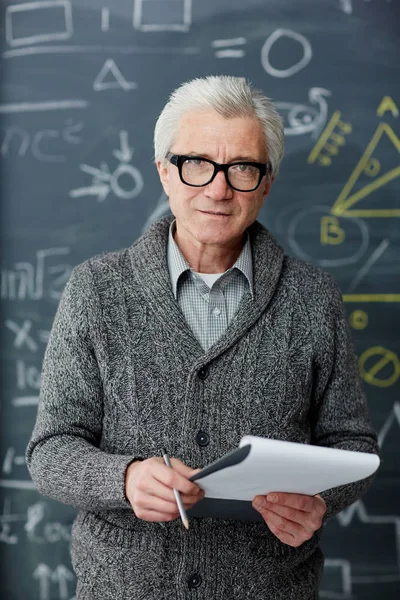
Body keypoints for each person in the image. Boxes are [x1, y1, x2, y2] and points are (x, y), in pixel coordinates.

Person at [26, 75, 378, 600]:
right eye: (197, 165)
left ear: (266, 182)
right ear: (165, 173)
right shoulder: (96, 290)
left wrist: (321, 500)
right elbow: (50, 451)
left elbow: (353, 446)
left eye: (242, 168)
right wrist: (122, 479)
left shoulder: (313, 298)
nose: (218, 189)